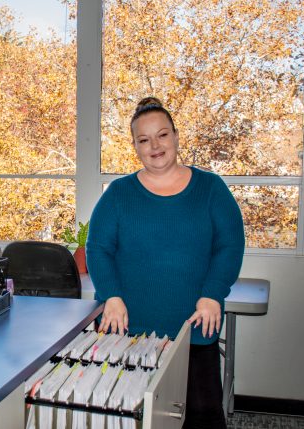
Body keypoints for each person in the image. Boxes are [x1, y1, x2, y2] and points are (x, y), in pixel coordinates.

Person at [86, 97, 245, 428]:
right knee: (135, 418)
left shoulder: (211, 188)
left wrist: (214, 292)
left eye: (162, 135)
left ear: (175, 136)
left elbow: (229, 245)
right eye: (144, 140)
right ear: (135, 146)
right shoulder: (118, 194)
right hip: (132, 333)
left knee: (201, 419)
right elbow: (98, 248)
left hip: (194, 330)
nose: (154, 146)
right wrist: (111, 295)